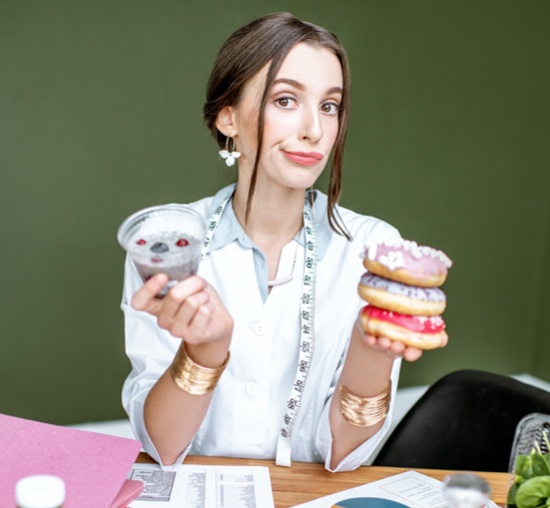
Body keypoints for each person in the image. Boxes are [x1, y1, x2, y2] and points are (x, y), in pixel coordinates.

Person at [121, 12, 447, 472]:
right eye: (286, 99)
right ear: (228, 117)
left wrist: (369, 347)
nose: (314, 129)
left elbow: (343, 456)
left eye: (330, 106)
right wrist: (204, 351)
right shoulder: (167, 246)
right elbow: (164, 447)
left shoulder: (372, 251)